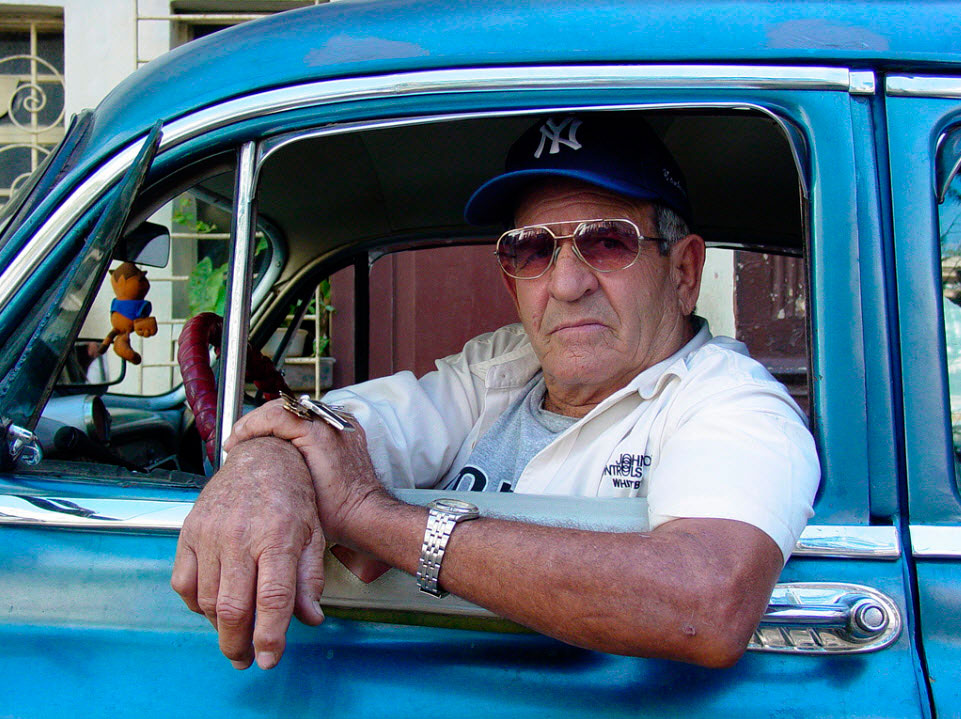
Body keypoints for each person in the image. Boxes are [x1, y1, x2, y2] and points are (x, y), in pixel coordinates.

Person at [171, 113, 820, 672]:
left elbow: (704, 600)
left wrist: (374, 519)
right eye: (533, 251)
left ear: (682, 271)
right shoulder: (500, 366)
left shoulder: (732, 403)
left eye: (606, 241)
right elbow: (354, 425)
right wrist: (265, 460)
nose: (565, 284)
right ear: (513, 283)